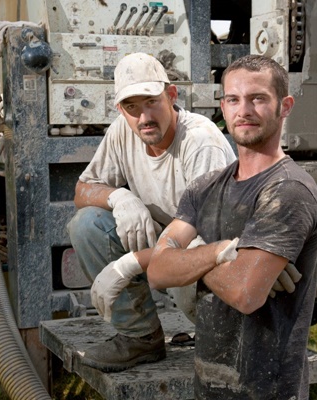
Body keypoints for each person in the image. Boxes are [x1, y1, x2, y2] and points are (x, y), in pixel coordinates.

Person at [147, 54, 317, 399]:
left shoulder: (288, 191)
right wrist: (217, 252)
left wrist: (191, 260)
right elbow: (157, 270)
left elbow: (245, 293)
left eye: (258, 98)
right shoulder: (205, 187)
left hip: (268, 390)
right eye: (233, 99)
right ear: (223, 106)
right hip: (209, 385)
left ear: (285, 106)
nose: (243, 110)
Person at [67, 52, 236, 372]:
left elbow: (212, 234)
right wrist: (120, 198)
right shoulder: (121, 131)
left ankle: (231, 337)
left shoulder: (200, 140)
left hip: (213, 247)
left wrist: (128, 266)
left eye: (151, 102)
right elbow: (82, 190)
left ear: (171, 96)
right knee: (88, 224)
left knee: (191, 291)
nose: (143, 116)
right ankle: (140, 339)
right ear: (120, 109)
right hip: (169, 242)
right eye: (131, 107)